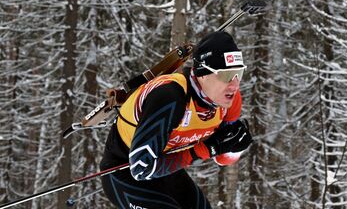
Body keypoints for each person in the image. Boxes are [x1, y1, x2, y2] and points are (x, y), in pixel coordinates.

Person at [100, 31, 253, 209]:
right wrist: (204, 150)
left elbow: (223, 158)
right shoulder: (169, 98)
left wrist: (235, 147)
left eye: (238, 73)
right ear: (203, 74)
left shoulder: (228, 100)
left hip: (166, 171)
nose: (234, 85)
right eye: (227, 75)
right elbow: (141, 169)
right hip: (124, 171)